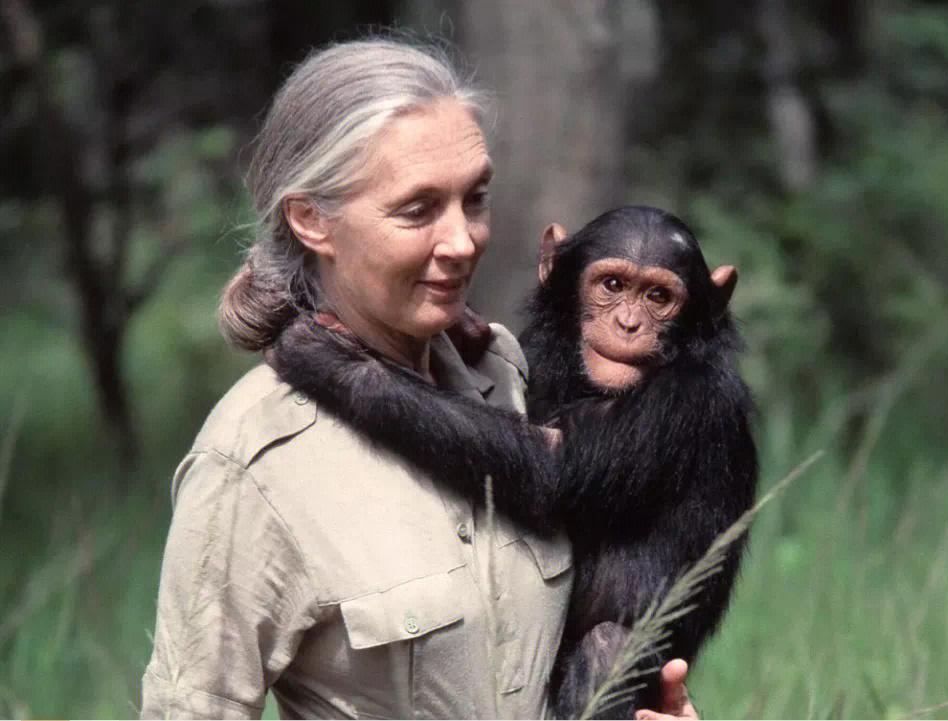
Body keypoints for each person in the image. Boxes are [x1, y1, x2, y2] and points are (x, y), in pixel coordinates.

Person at [140, 38, 701, 719]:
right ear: (313, 219)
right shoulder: (253, 461)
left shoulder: (504, 372)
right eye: (418, 210)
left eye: (475, 199)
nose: (463, 240)